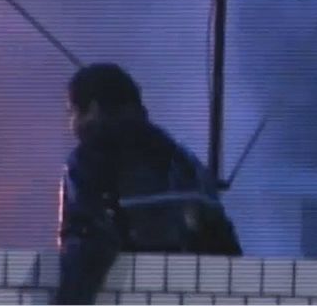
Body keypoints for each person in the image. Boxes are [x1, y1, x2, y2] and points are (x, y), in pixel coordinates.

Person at [53, 63, 242, 305]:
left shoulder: (89, 161)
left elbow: (86, 239)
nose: (71, 124)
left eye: (72, 112)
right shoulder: (183, 160)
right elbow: (223, 245)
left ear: (94, 109)